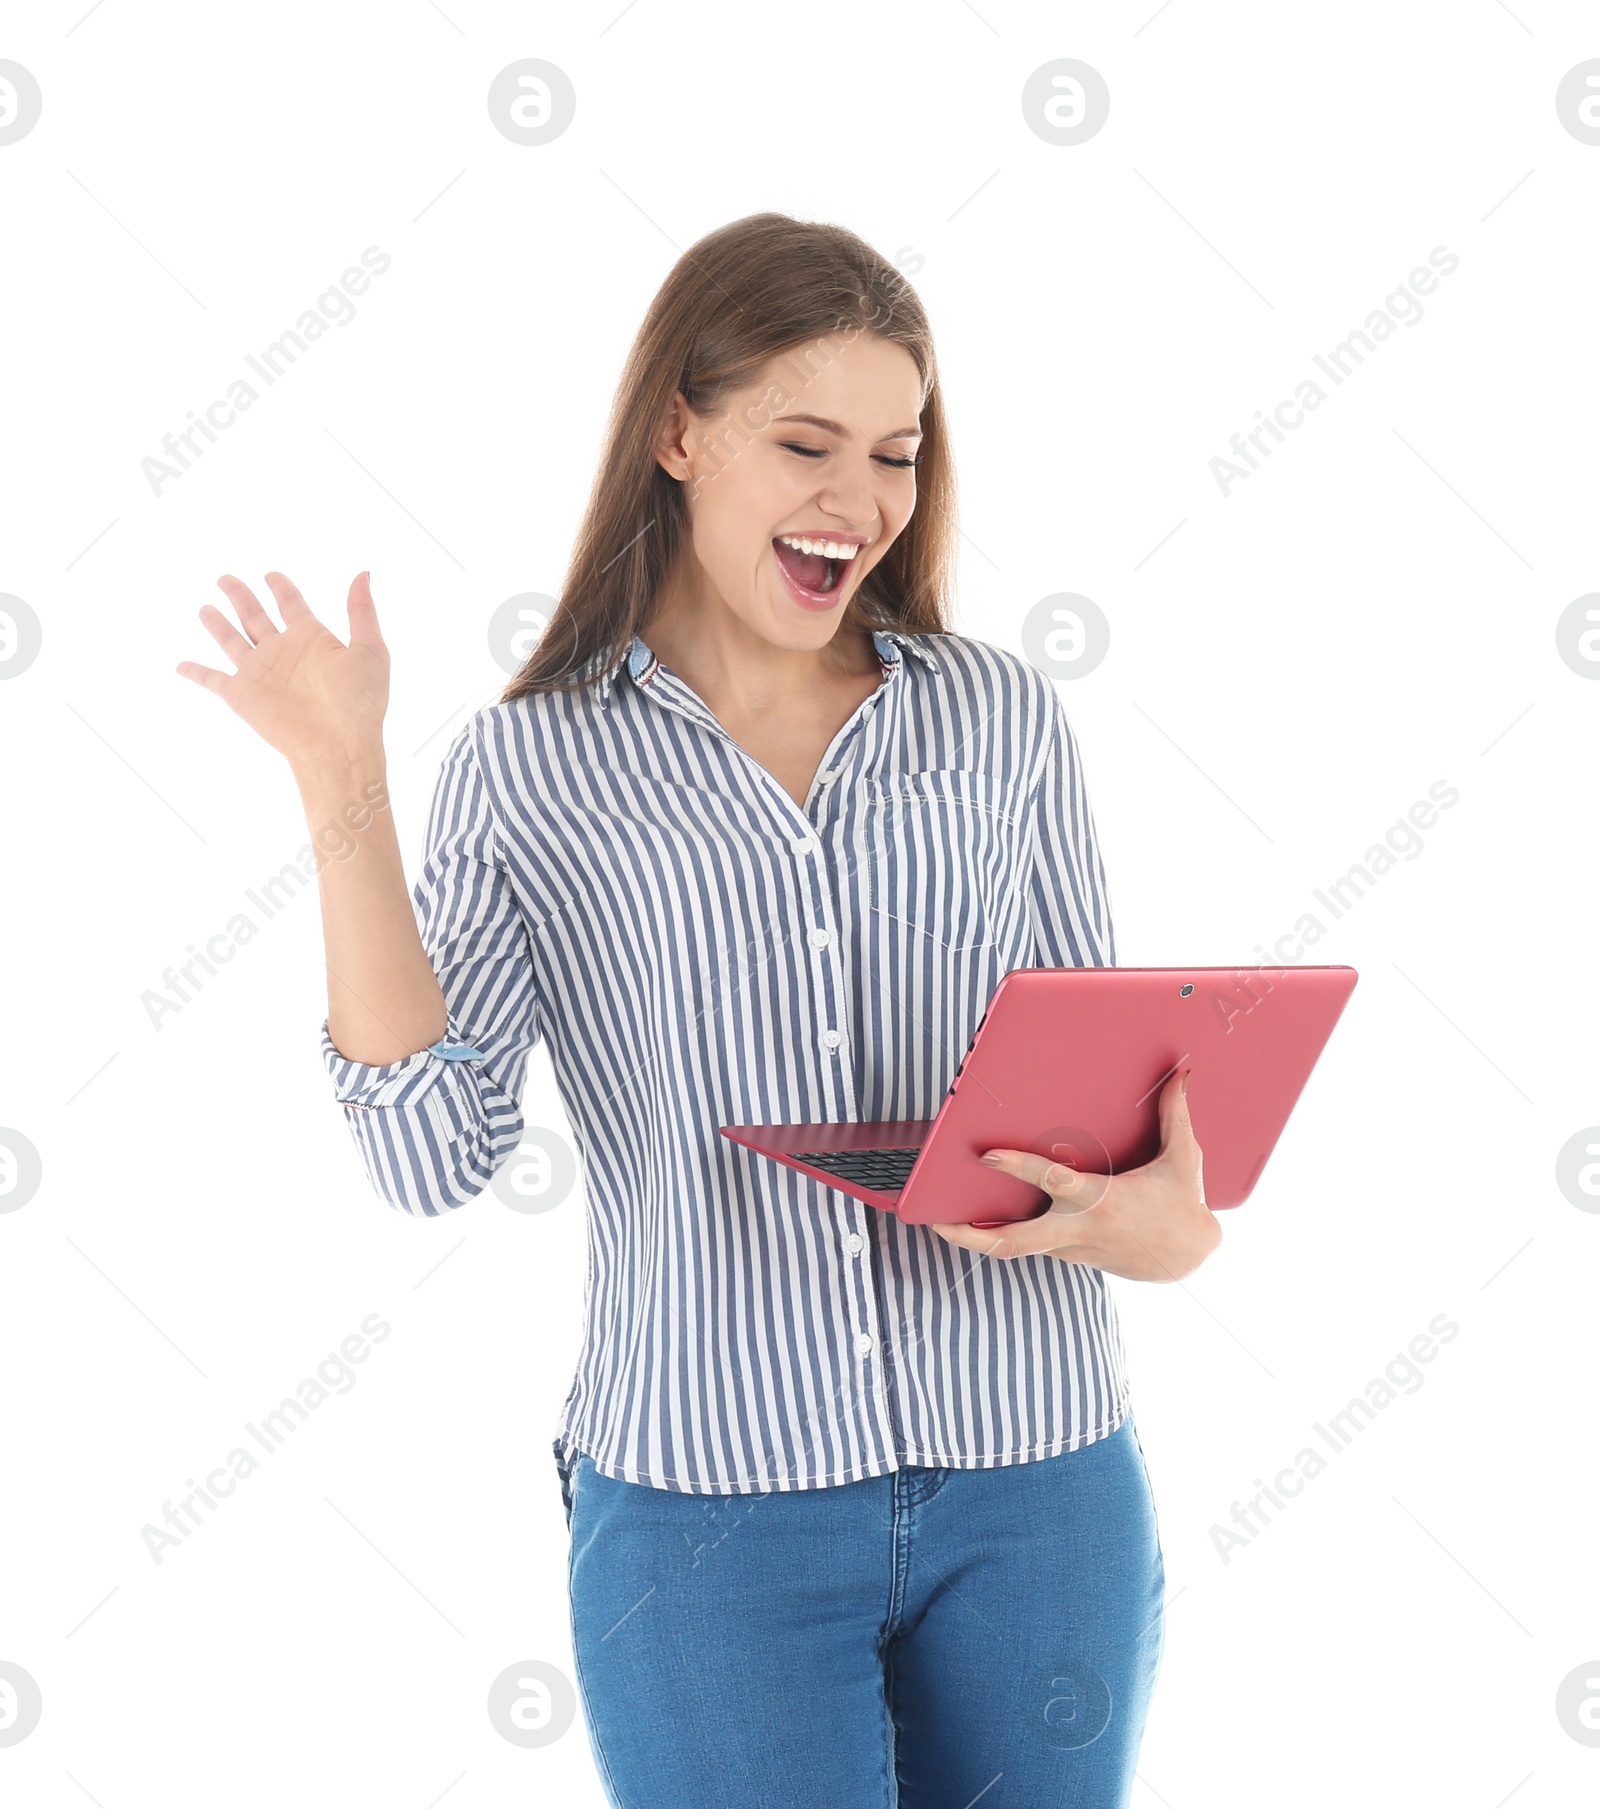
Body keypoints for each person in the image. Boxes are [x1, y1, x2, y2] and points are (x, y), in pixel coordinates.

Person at [178, 211, 1221, 1808]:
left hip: (1045, 1479)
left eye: (895, 451)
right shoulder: (536, 766)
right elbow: (428, 1149)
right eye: (805, 442)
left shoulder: (997, 716)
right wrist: (343, 781)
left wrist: (1143, 1219)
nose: (861, 500)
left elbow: (1144, 1167)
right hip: (709, 1514)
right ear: (679, 429)